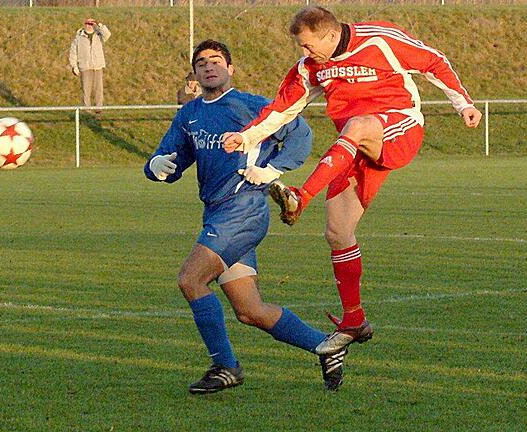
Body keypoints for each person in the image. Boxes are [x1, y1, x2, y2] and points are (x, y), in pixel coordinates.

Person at [222, 7, 482, 355]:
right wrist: (247, 137)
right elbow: (284, 108)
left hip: (398, 127)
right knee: (337, 231)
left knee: (358, 124)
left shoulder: (379, 39)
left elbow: (433, 61)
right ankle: (354, 319)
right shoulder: (311, 66)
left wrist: (462, 103)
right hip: (352, 147)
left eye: (308, 45)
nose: (304, 53)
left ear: (330, 35)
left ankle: (301, 194)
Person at [144, 39, 348, 394]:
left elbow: (301, 134)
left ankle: (225, 366)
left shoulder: (252, 106)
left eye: (217, 60)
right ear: (195, 73)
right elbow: (168, 162)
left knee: (191, 280)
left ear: (231, 68)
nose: (209, 66)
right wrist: (155, 166)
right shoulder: (189, 114)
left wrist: (274, 169)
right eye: (202, 62)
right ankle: (326, 347)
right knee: (249, 310)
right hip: (216, 214)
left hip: (244, 210)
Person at [69, 18, 111, 113]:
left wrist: (99, 25)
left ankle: (99, 108)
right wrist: (74, 66)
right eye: (87, 23)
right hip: (85, 66)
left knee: (98, 89)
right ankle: (87, 108)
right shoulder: (78, 38)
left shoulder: (98, 35)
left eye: (91, 24)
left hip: (97, 66)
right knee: (86, 89)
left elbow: (107, 34)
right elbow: (73, 53)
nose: (89, 25)